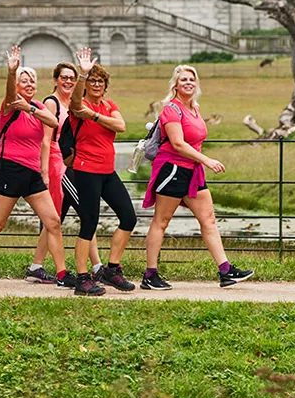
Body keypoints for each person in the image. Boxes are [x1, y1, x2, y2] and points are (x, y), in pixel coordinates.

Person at [0, 46, 66, 291]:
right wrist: (11, 72)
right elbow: (9, 91)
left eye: (32, 81)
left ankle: (62, 273)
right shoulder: (9, 104)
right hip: (10, 170)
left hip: (32, 173)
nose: (28, 84)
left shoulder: (36, 106)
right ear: (16, 85)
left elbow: (53, 121)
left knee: (53, 222)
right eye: (23, 81)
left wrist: (30, 108)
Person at [141, 64, 252, 289]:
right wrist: (207, 160)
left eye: (192, 79)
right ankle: (150, 275)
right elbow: (178, 143)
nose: (188, 83)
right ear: (175, 85)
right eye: (183, 80)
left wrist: (200, 162)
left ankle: (225, 270)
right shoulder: (171, 109)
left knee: (208, 219)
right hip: (172, 169)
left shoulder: (195, 108)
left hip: (193, 172)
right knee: (161, 221)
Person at [66, 47, 138, 291]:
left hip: (108, 171)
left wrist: (95, 117)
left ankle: (111, 270)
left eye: (100, 81)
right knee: (89, 222)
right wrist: (83, 75)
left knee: (129, 217)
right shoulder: (79, 106)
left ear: (106, 86)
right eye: (93, 81)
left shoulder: (108, 105)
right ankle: (83, 279)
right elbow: (76, 102)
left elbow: (121, 126)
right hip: (86, 170)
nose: (97, 84)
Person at [29, 61, 87, 290]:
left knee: (54, 218)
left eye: (72, 78)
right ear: (55, 79)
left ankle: (36, 266)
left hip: (68, 163)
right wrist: (44, 171)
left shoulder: (71, 102)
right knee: (85, 210)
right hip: (55, 164)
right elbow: (45, 139)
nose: (68, 81)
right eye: (64, 77)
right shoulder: (50, 103)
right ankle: (97, 267)